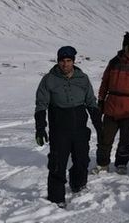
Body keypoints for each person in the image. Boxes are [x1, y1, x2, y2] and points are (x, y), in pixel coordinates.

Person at [35, 46, 103, 208]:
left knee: (82, 160)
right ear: (58, 61)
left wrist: (99, 126)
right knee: (58, 164)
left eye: (68, 61)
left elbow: (91, 103)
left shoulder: (83, 78)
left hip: (79, 127)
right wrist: (40, 127)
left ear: (73, 61)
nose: (65, 64)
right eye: (62, 61)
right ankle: (56, 198)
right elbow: (41, 105)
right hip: (59, 130)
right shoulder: (49, 79)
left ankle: (78, 185)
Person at [94, 32, 129, 175]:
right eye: (128, 49)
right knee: (105, 138)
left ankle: (121, 163)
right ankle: (102, 164)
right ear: (123, 49)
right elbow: (104, 83)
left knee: (126, 140)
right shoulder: (114, 62)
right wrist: (101, 101)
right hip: (111, 106)